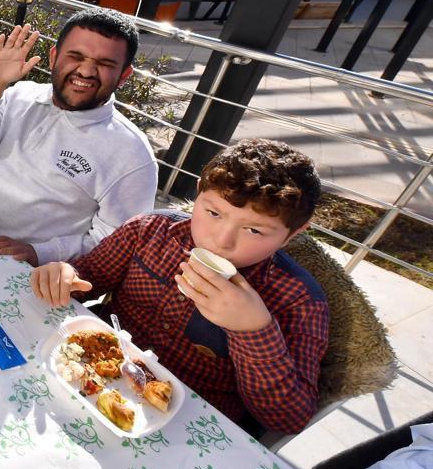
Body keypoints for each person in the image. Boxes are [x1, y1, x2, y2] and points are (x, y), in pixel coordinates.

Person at [30, 138, 329, 435]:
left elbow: (287, 419)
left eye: (253, 230)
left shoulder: (298, 300)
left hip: (182, 426)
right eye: (213, 213)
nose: (221, 240)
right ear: (198, 191)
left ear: (293, 234)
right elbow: (88, 278)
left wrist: (254, 330)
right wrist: (65, 276)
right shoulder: (149, 232)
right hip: (87, 374)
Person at [0, 8, 157, 265]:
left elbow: (116, 242)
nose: (86, 71)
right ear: (54, 57)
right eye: (76, 56)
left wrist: (39, 253)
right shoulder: (19, 95)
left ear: (124, 76)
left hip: (32, 274)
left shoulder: (132, 153)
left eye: (105, 64)